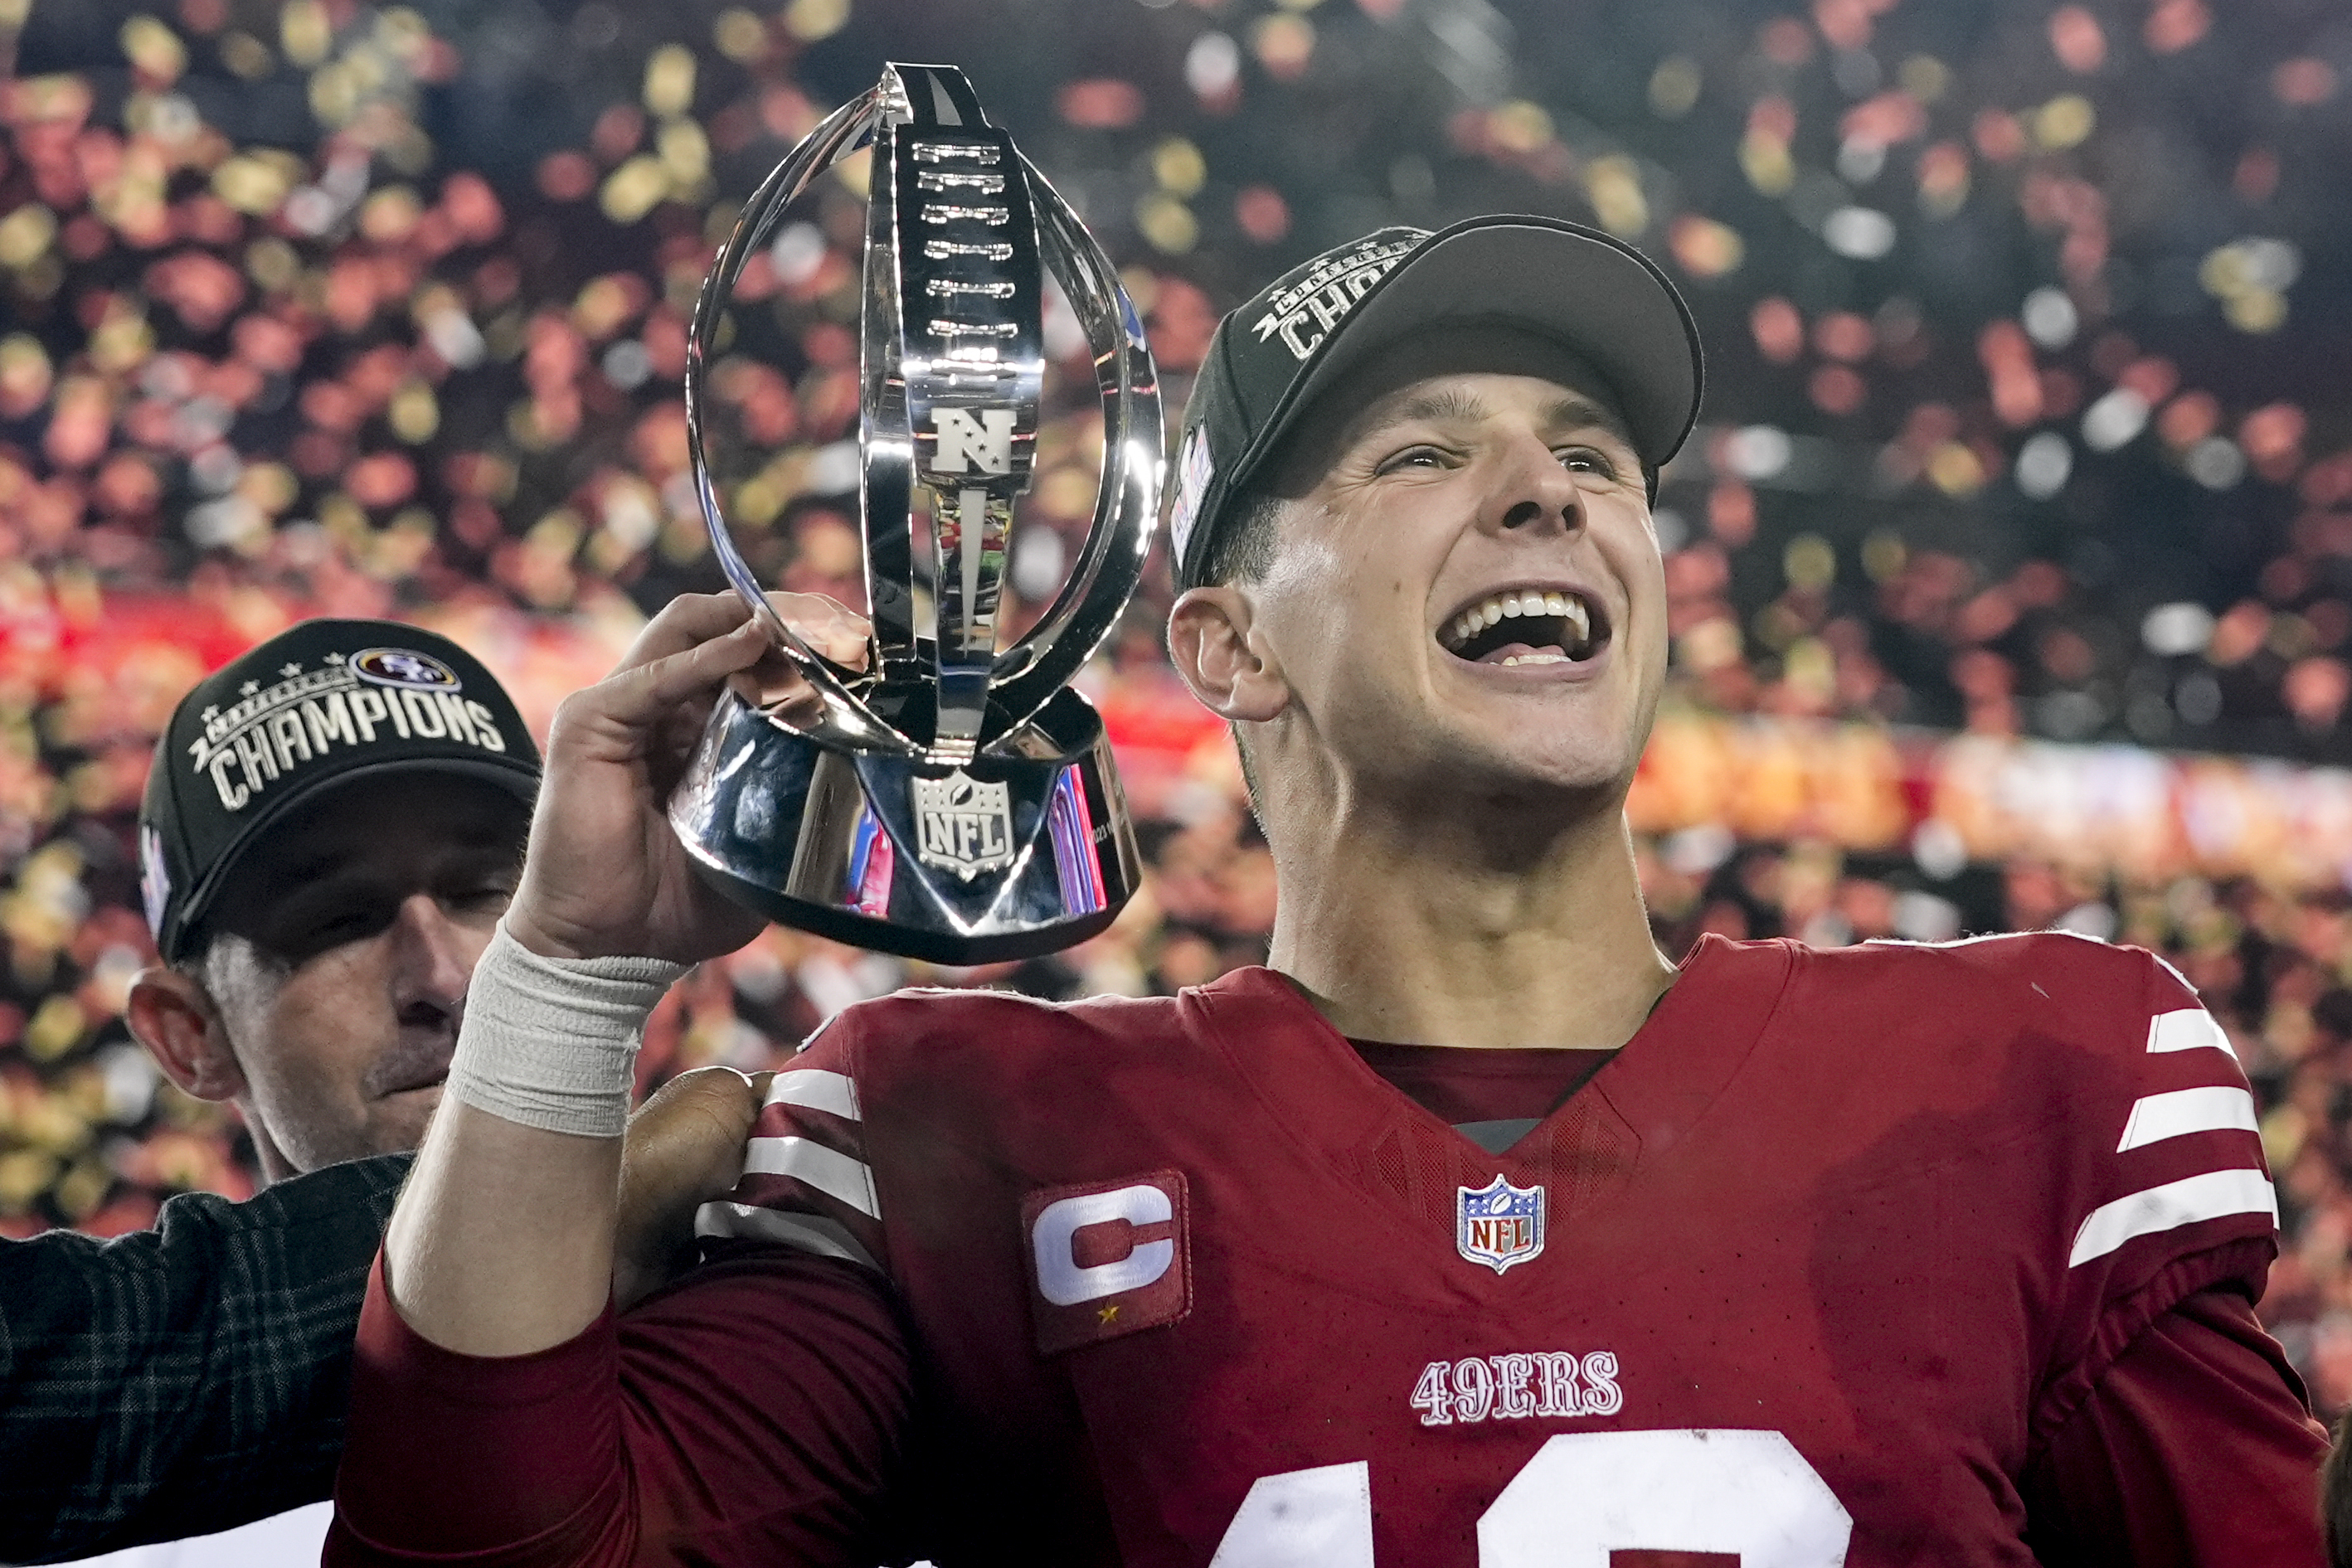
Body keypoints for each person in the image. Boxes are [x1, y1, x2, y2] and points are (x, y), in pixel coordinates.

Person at [328, 220, 2328, 1566]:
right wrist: (570, 974)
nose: (1547, 491)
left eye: (1590, 458)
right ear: (1225, 645)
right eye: (1422, 453)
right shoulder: (957, 1131)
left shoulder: (2039, 1080)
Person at [0, 619, 769, 1564]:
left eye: (494, 888)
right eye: (339, 920)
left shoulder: (817, 1347)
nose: (442, 977)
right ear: (188, 1035)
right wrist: (554, 1205)